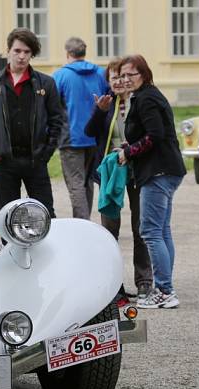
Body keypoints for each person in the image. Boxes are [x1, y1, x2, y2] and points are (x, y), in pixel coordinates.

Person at [114, 55, 187, 309]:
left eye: (131, 74)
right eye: (122, 75)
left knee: (150, 231)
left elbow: (154, 136)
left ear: (144, 74)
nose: (125, 79)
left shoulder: (146, 98)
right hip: (167, 169)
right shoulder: (147, 96)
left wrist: (128, 152)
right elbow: (151, 133)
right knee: (162, 230)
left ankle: (165, 291)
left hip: (158, 172)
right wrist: (128, 146)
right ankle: (165, 288)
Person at [0, 27, 65, 217]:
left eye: (27, 52)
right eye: (17, 51)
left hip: (35, 160)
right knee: (7, 217)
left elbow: (57, 121)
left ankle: (46, 248)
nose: (21, 56)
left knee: (46, 214)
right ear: (8, 51)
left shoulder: (45, 83)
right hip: (4, 161)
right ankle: (11, 249)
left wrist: (46, 153)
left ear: (32, 54)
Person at [84, 58, 152, 303]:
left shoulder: (139, 102)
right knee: (109, 230)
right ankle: (114, 286)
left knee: (140, 228)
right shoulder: (106, 104)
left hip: (137, 169)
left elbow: (149, 135)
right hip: (111, 171)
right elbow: (89, 132)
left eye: (122, 77)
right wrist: (98, 112)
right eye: (114, 78)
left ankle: (144, 282)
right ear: (109, 82)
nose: (119, 82)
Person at [53, 37, 109, 220]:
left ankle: (82, 222)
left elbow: (52, 108)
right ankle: (85, 220)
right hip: (96, 137)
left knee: (75, 183)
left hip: (71, 137)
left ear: (67, 53)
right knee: (88, 182)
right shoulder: (101, 74)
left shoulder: (60, 76)